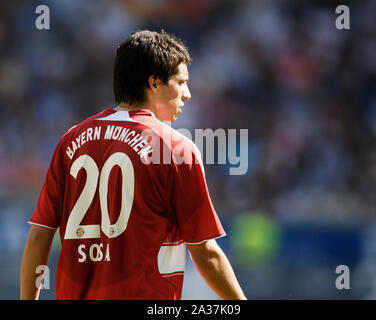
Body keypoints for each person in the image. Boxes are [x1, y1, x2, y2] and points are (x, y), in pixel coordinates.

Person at [20, 30, 246, 300]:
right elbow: (206, 252)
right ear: (154, 83)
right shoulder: (175, 149)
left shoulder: (72, 140)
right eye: (181, 82)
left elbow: (38, 237)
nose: (187, 94)